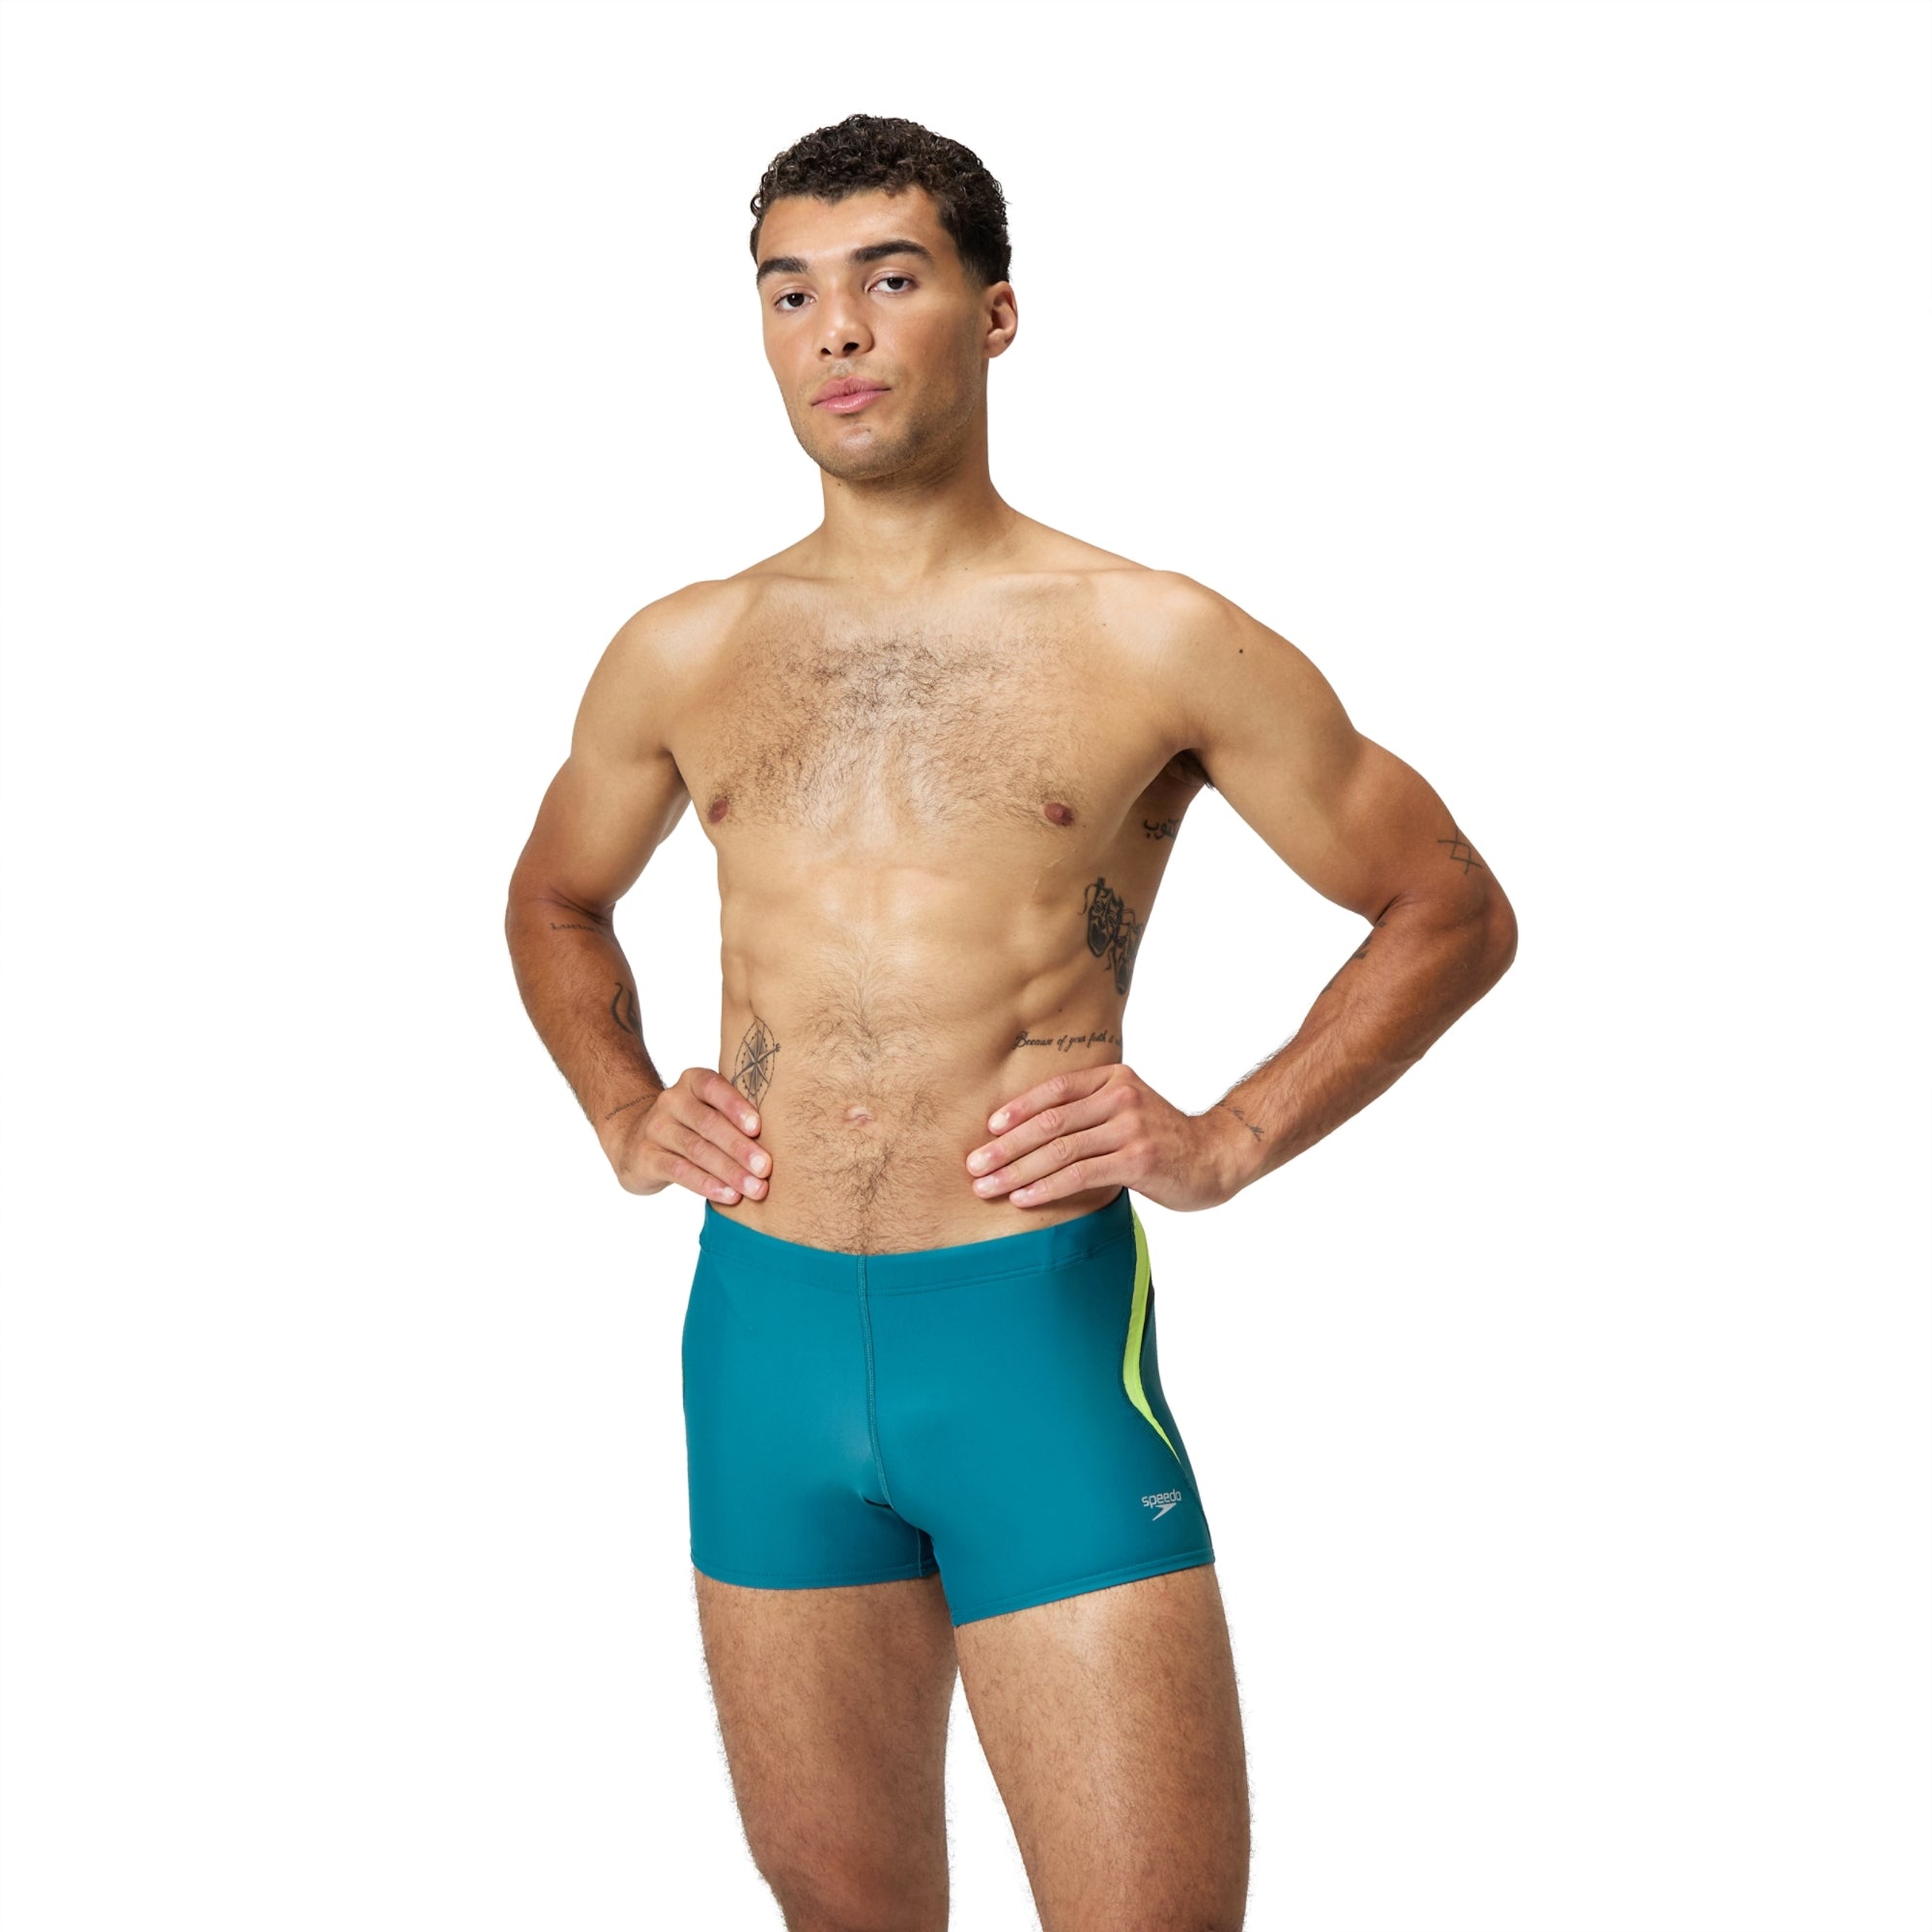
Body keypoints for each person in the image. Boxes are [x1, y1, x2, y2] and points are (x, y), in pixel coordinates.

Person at [505, 112, 1517, 1932]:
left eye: (889, 278)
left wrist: (1230, 1137)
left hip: (1030, 1340)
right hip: (759, 1342)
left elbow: (1447, 903)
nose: (836, 329)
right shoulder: (684, 648)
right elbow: (553, 898)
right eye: (791, 292)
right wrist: (619, 1100)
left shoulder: (1153, 634)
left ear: (994, 313)